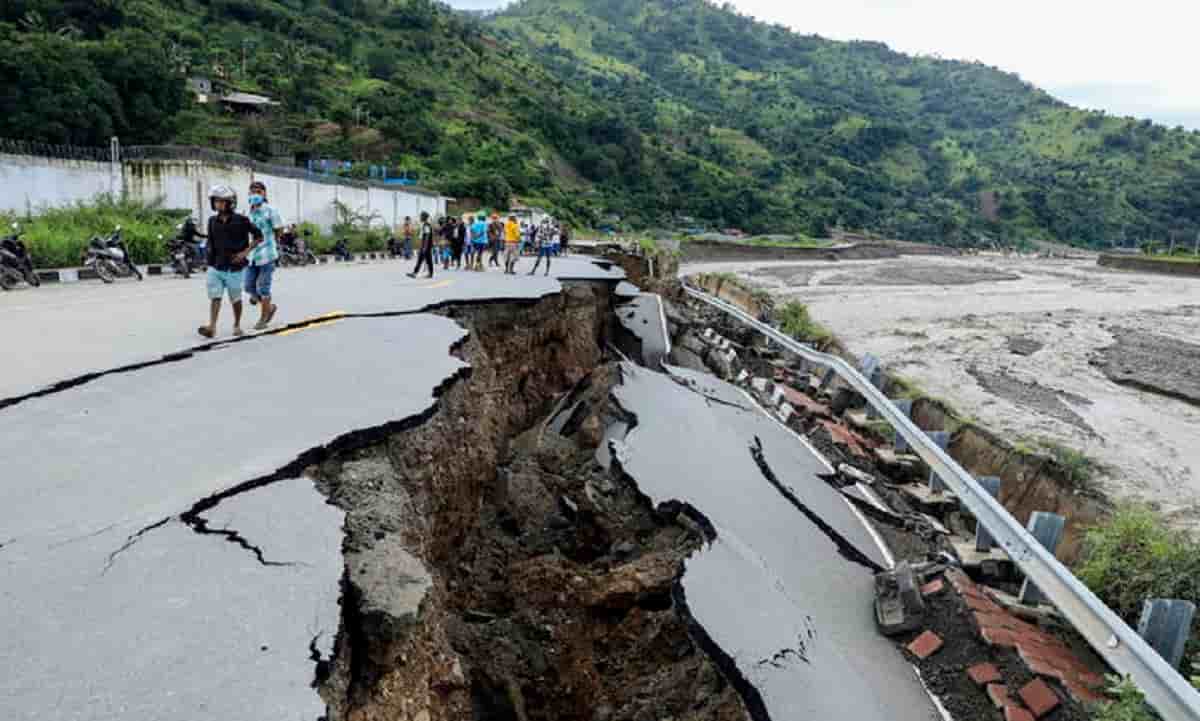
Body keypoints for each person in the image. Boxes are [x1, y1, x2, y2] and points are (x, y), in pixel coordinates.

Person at [198, 185, 261, 339]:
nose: (217, 204)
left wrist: (245, 252)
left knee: (235, 299)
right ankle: (212, 327)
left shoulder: (242, 220)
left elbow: (259, 237)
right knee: (215, 297)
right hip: (216, 266)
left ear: (230, 203)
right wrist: (208, 260)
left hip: (234, 268)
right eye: (215, 201)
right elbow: (210, 242)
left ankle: (237, 325)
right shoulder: (212, 221)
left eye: (221, 201)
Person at [245, 181, 282, 330]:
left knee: (263, 289)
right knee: (248, 287)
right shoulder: (248, 213)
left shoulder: (270, 210)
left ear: (264, 194)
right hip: (252, 255)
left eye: (258, 192)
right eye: (252, 192)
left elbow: (279, 229)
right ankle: (270, 307)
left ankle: (263, 319)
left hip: (267, 255)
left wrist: (272, 242)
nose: (255, 194)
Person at [407, 211, 436, 278]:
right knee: (427, 259)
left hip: (426, 246)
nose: (420, 217)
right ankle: (428, 273)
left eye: (421, 216)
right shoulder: (425, 225)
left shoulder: (426, 225)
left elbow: (427, 236)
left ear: (424, 217)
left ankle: (415, 273)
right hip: (425, 245)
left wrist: (424, 247)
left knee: (423, 259)